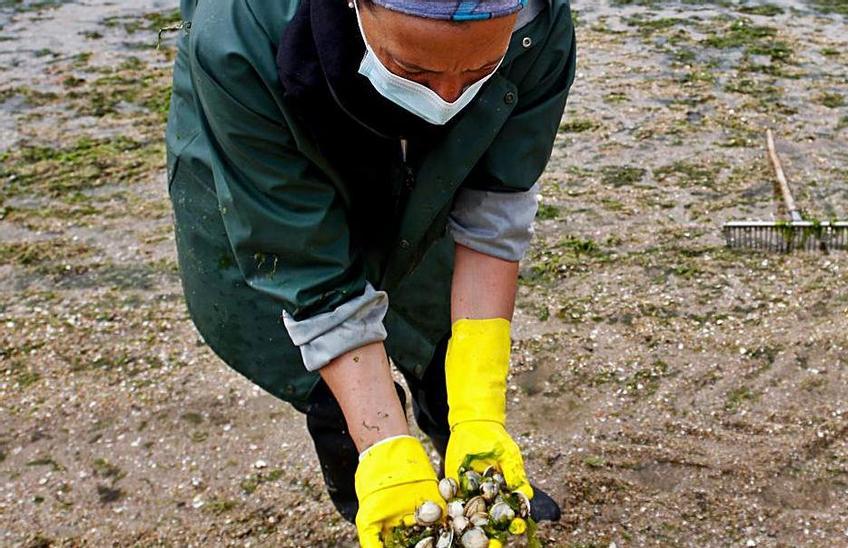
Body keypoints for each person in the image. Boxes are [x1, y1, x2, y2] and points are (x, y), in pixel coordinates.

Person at [163, 0, 574, 543]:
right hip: (267, 169)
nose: (447, 99)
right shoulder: (236, 34)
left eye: (479, 71)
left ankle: (470, 464)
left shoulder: (536, 23)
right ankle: (379, 479)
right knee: (326, 374)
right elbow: (307, 271)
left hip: (421, 174)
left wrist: (481, 409)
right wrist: (383, 443)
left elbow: (494, 211)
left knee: (435, 324)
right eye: (414, 72)